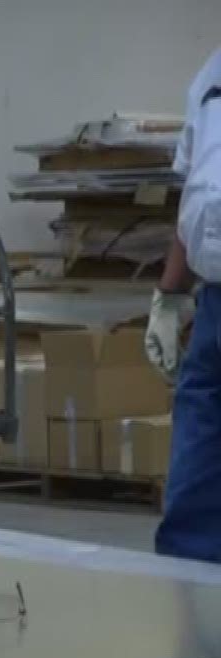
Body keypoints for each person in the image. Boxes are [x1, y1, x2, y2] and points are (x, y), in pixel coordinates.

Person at [152, 45, 221, 562]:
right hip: (214, 302)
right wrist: (168, 295)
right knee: (197, 447)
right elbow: (195, 195)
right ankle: (187, 588)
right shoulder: (210, 77)